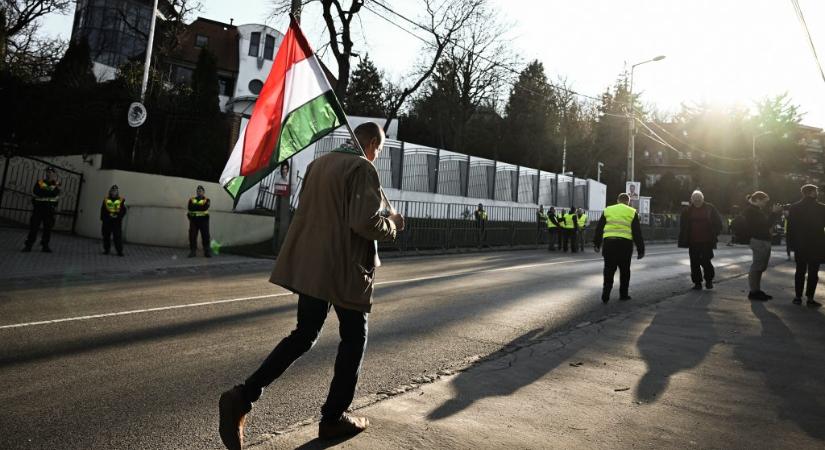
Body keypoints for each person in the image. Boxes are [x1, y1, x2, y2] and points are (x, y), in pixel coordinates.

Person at [218, 122, 405, 449]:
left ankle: (243, 396)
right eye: (379, 149)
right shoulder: (363, 168)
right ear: (372, 142)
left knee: (304, 334)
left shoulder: (320, 164)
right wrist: (391, 225)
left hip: (314, 266)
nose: (377, 155)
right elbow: (363, 222)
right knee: (353, 338)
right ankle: (334, 417)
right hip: (345, 269)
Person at [594, 193, 645, 303]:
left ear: (618, 200)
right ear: (628, 201)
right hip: (625, 245)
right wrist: (641, 249)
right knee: (625, 270)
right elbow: (637, 232)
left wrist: (596, 244)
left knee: (609, 269)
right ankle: (623, 294)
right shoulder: (632, 212)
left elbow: (599, 228)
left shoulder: (608, 210)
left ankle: (606, 291)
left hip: (609, 244)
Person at [786, 184, 825, 308]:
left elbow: (790, 228)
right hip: (816, 244)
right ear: (812, 192)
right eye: (816, 191)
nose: (817, 192)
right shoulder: (821, 208)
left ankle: (797, 297)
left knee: (800, 271)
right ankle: (810, 298)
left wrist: (790, 245)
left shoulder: (794, 207)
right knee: (813, 272)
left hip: (800, 244)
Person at [678, 190, 723, 290]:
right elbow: (683, 225)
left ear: (703, 199)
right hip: (693, 241)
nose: (697, 201)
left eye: (699, 199)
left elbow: (718, 223)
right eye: (695, 199)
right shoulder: (687, 210)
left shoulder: (710, 208)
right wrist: (684, 238)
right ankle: (697, 283)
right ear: (692, 200)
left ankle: (709, 280)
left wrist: (714, 234)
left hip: (707, 241)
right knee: (694, 263)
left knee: (706, 261)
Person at [742, 191, 783, 301]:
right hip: (759, 241)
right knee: (757, 267)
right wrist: (774, 213)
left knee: (760, 267)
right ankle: (754, 292)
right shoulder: (751, 211)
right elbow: (765, 225)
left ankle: (756, 290)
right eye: (764, 202)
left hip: (762, 240)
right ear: (757, 200)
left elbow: (764, 225)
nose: (765, 204)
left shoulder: (755, 210)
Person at [23, 167, 60, 253]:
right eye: (47, 172)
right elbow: (36, 192)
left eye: (50, 172)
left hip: (49, 210)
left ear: (54, 174)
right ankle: (28, 245)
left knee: (47, 229)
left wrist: (45, 189)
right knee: (34, 227)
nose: (48, 174)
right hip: (38, 209)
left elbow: (55, 193)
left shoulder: (56, 184)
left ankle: (45, 246)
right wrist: (49, 190)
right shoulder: (40, 182)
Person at [100, 185, 127, 256]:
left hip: (116, 222)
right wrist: (104, 219)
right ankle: (106, 250)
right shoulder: (106, 200)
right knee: (106, 236)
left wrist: (118, 216)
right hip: (107, 221)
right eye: (113, 191)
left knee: (117, 237)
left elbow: (124, 210)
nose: (114, 192)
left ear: (117, 192)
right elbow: (103, 210)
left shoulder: (121, 200)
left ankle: (119, 251)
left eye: (115, 191)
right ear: (110, 192)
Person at [187, 185, 212, 258]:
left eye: (200, 191)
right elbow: (190, 207)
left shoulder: (207, 200)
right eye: (197, 191)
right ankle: (193, 251)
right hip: (193, 220)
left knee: (205, 236)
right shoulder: (191, 199)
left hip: (203, 221)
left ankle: (207, 251)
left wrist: (195, 207)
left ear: (203, 192)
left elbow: (204, 208)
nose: (199, 192)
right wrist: (198, 207)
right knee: (192, 236)